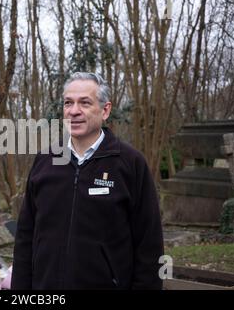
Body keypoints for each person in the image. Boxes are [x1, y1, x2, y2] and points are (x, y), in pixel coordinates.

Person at [11, 72, 164, 290]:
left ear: (105, 110)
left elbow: (149, 247)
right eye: (68, 103)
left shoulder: (130, 164)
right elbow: (25, 238)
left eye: (84, 103)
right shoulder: (45, 161)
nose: (74, 111)